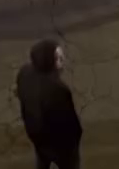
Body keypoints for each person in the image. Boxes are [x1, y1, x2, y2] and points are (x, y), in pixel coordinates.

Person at [15, 39, 82, 169]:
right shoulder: (58, 89)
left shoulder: (25, 72)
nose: (62, 61)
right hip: (60, 145)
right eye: (58, 59)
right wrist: (76, 136)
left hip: (36, 135)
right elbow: (68, 122)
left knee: (42, 160)